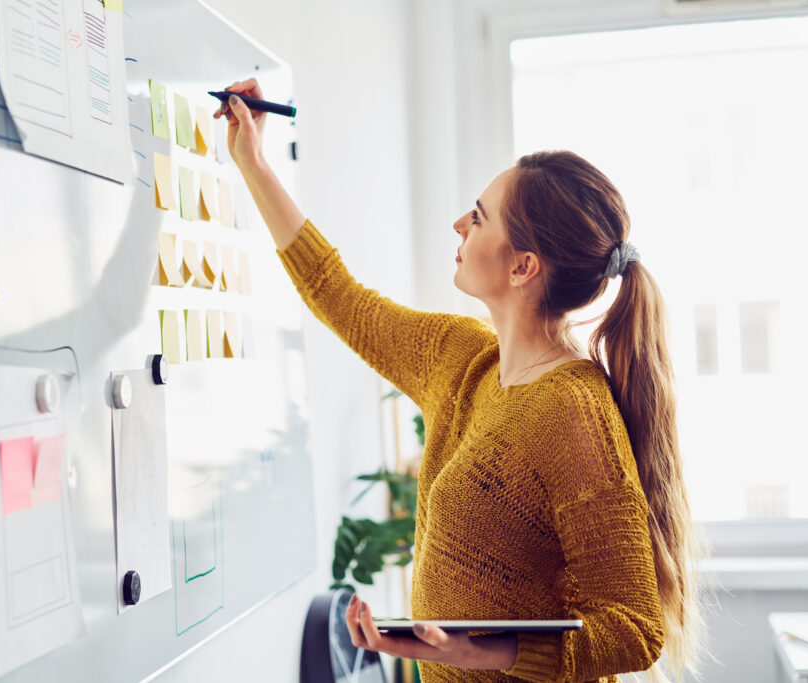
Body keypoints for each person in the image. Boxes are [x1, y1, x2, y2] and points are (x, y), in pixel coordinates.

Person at [216, 79, 701, 682]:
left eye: (478, 217)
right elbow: (339, 296)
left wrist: (481, 650)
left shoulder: (572, 413)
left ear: (523, 266)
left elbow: (634, 626)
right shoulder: (463, 358)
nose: (457, 225)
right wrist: (254, 163)